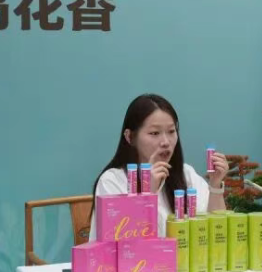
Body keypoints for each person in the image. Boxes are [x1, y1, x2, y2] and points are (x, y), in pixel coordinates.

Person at [89, 94, 228, 239]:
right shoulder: (112, 181)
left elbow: (215, 233)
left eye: (171, 131)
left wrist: (215, 186)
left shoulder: (186, 174)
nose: (165, 142)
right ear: (130, 137)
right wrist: (148, 193)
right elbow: (123, 243)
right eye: (154, 133)